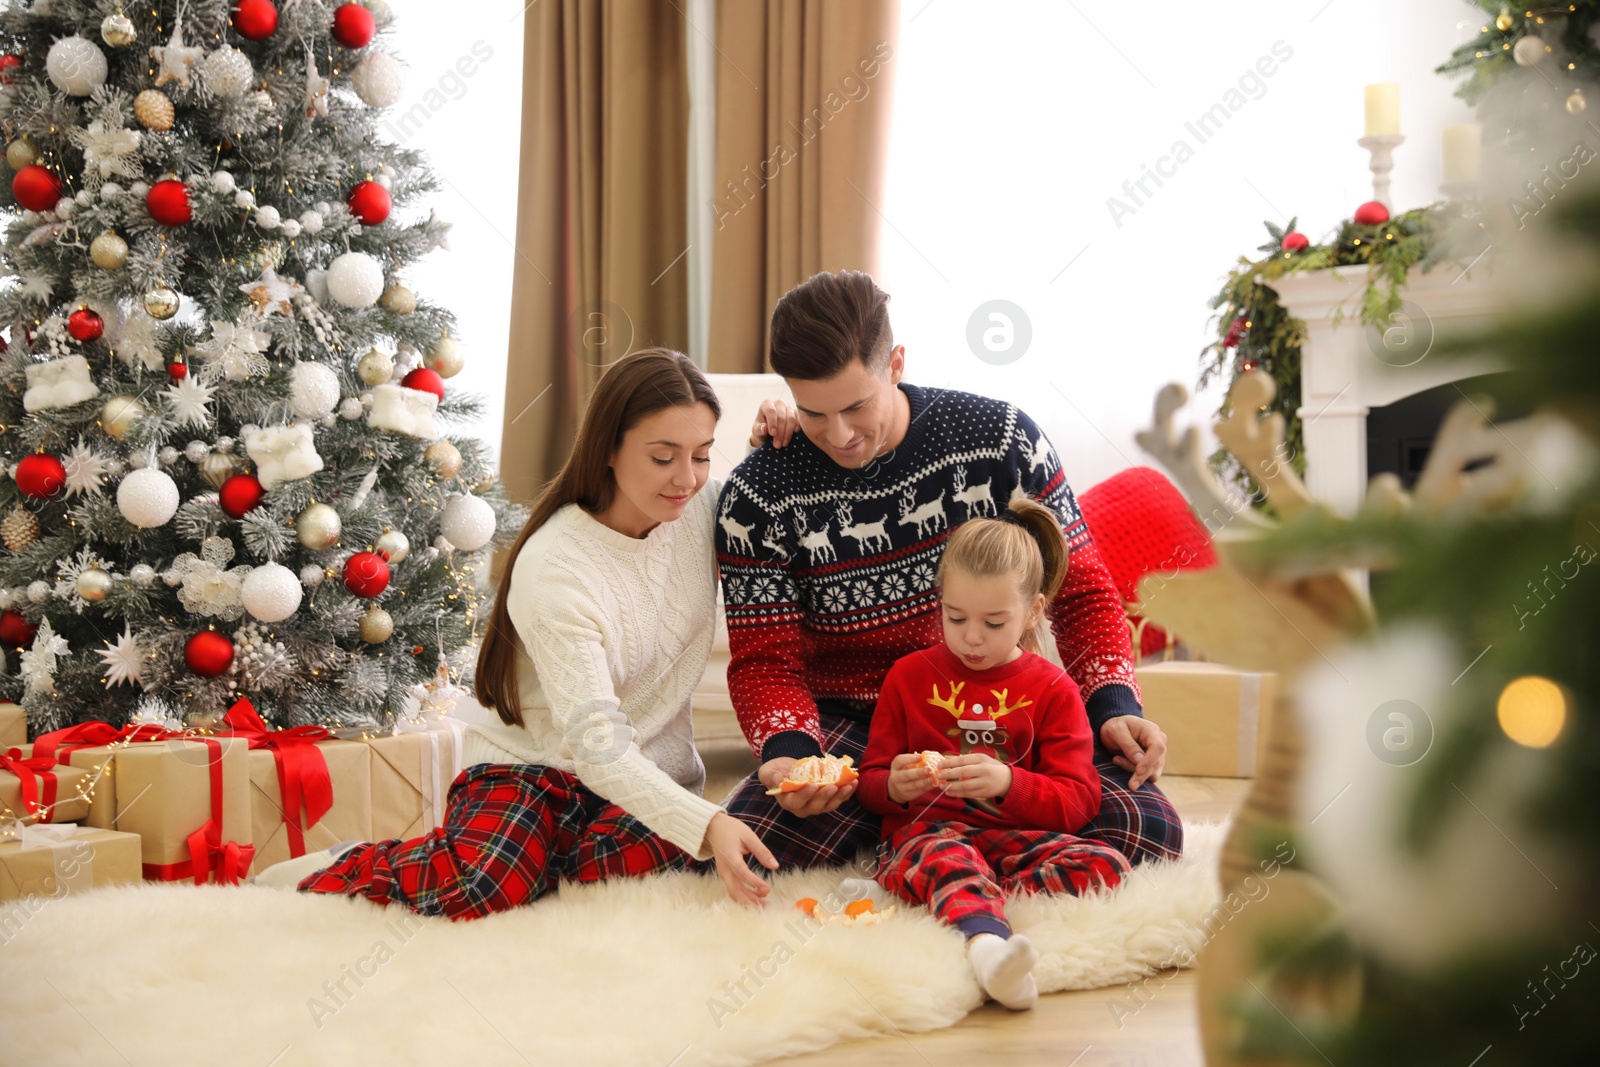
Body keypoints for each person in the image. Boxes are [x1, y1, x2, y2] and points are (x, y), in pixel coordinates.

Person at [255, 348, 778, 916]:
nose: (687, 478)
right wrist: (707, 823)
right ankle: (351, 862)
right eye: (662, 457)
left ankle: (532, 857)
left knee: (651, 869)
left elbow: (768, 494)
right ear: (608, 449)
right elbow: (597, 748)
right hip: (533, 767)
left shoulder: (703, 507)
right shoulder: (558, 565)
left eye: (701, 455)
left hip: (641, 771)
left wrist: (780, 431)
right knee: (484, 885)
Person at [717, 270, 1182, 872]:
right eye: (813, 412)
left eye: (857, 406)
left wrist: (1114, 704)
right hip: (854, 734)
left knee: (1150, 828)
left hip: (1009, 711)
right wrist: (792, 752)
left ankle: (933, 845)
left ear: (896, 364)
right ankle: (942, 838)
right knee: (752, 845)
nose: (839, 435)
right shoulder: (759, 494)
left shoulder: (1003, 441)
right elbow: (764, 658)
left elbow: (1082, 592)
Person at [857, 498, 1132, 1011]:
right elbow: (870, 783)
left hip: (1010, 842)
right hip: (925, 835)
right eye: (955, 617)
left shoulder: (1054, 688)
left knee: (1106, 862)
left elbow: (1079, 803)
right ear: (939, 601)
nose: (972, 638)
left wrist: (1009, 784)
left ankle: (957, 893)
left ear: (1033, 612)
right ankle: (988, 950)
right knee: (942, 855)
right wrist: (893, 785)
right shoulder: (908, 677)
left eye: (994, 621)